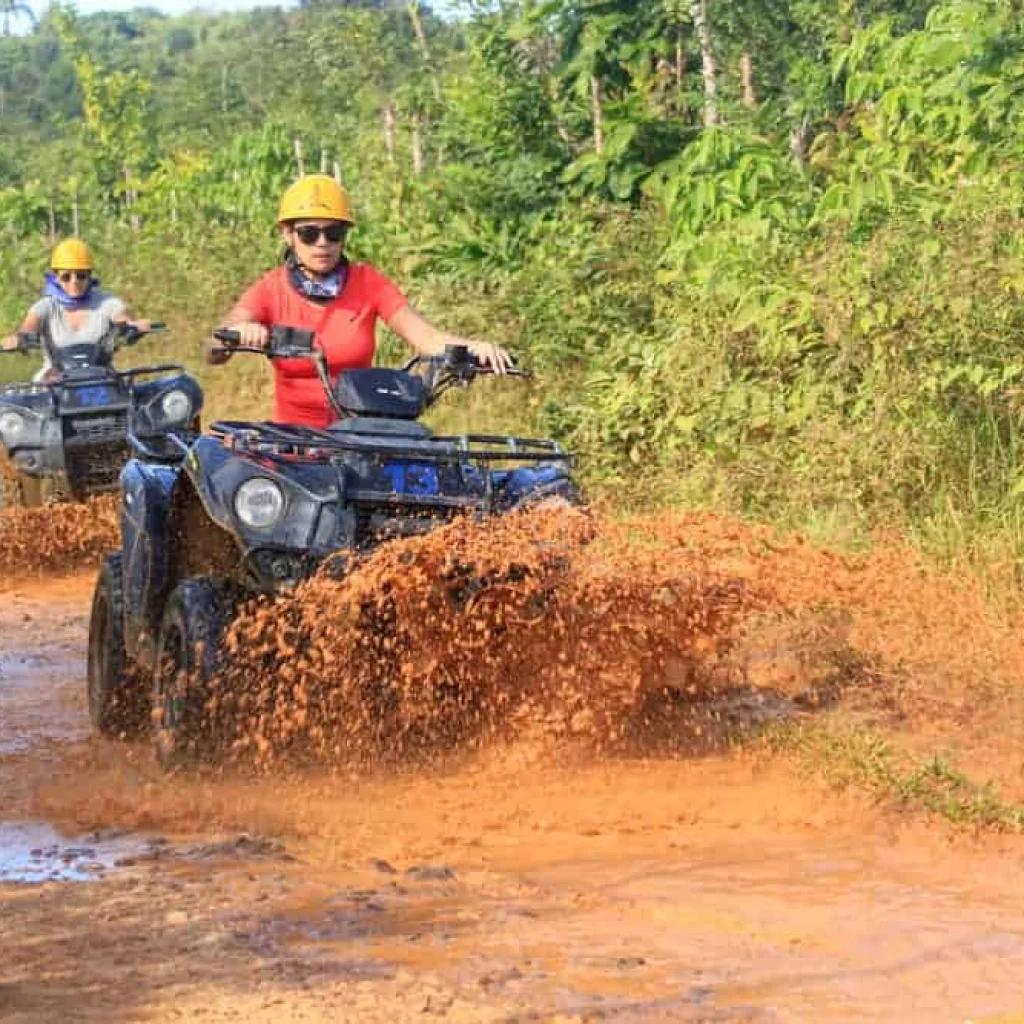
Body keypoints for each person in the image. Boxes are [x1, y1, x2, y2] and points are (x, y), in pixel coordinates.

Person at [206, 174, 514, 429]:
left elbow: (426, 338)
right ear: (288, 234)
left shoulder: (368, 282)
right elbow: (214, 345)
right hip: (295, 444)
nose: (323, 243)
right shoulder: (271, 288)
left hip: (358, 436)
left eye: (334, 233)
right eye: (309, 234)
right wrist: (238, 333)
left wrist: (473, 348)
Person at [1, 239, 151, 382]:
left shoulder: (107, 302)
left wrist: (132, 327)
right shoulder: (46, 306)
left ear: (89, 276)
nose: (74, 282)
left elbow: (122, 319)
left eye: (81, 276)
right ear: (56, 278)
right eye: (66, 277)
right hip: (54, 377)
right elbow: (28, 328)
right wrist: (19, 339)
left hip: (101, 376)